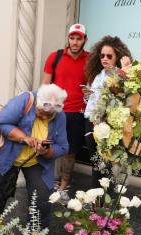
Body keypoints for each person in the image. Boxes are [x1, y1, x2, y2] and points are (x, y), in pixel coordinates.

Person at [0, 84, 69, 228]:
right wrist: (25, 138)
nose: (44, 117)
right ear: (38, 103)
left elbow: (63, 147)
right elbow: (0, 122)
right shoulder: (25, 100)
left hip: (36, 161)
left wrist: (47, 151)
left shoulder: (59, 115)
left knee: (41, 198)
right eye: (41, 112)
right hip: (6, 156)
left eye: (49, 115)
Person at [42, 24, 89, 203]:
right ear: (68, 38)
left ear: (85, 39)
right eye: (72, 38)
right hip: (55, 111)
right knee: (48, 147)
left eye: (79, 38)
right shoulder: (55, 57)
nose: (75, 42)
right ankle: (46, 182)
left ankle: (63, 187)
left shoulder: (90, 59)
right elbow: (45, 86)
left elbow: (94, 87)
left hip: (77, 113)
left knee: (69, 152)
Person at [83, 36, 132, 187]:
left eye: (109, 56)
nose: (104, 59)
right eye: (102, 55)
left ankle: (108, 203)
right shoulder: (98, 75)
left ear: (117, 57)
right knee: (97, 164)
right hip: (91, 122)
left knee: (110, 166)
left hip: (110, 126)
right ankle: (97, 204)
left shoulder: (122, 77)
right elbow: (93, 101)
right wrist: (88, 97)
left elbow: (125, 103)